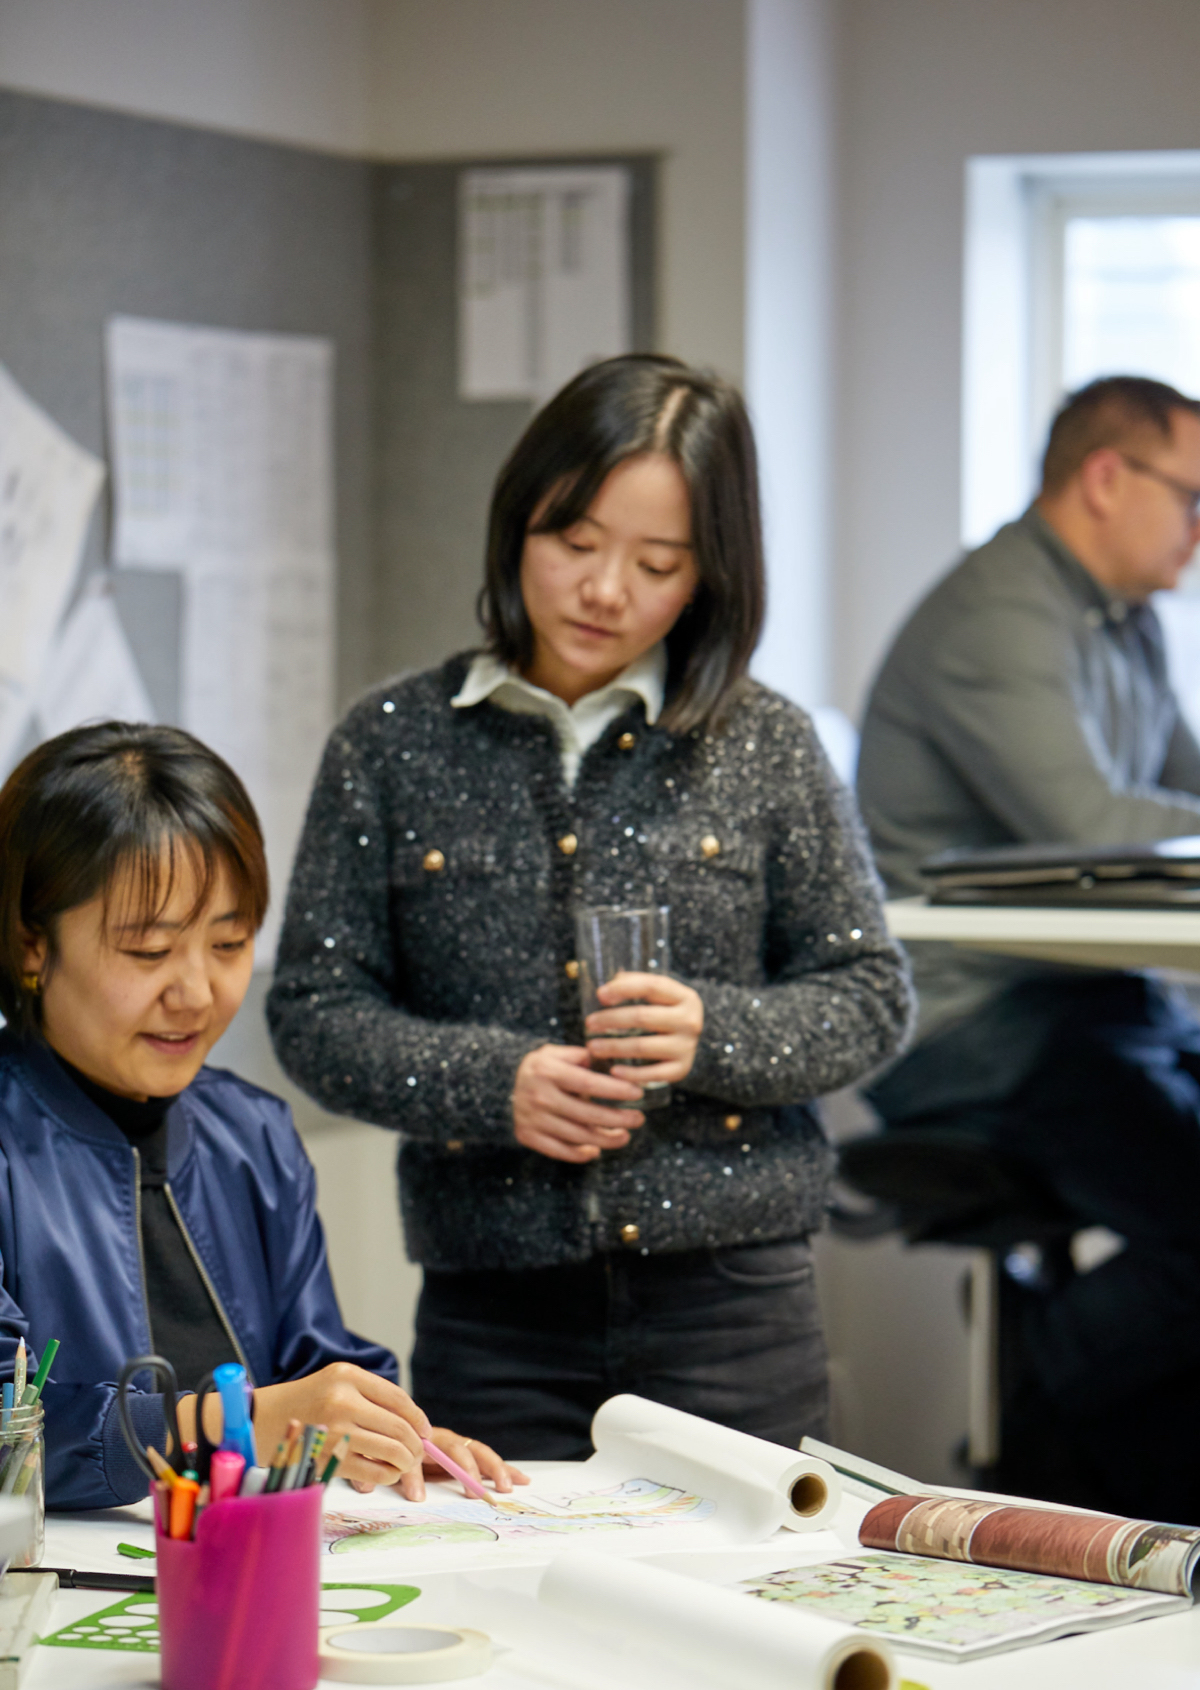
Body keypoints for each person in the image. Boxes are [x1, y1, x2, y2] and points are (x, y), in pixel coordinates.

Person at [267, 353, 913, 1460]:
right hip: (494, 1310)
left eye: (657, 561)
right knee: (509, 1606)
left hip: (734, 1304)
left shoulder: (764, 742)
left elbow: (870, 997)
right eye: (574, 543)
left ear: (708, 573)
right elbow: (314, 1010)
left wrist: (715, 1032)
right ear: (519, 524)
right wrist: (490, 1084)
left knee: (751, 1607)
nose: (605, 589)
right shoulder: (393, 740)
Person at [0, 721, 524, 1510]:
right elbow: (12, 1435)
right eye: (149, 951)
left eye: (230, 942)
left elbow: (319, 1365)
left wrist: (390, 1432)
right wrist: (224, 1423)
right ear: (32, 944)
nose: (197, 993)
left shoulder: (253, 1135)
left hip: (255, 1572)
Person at [856, 375, 1200, 1520]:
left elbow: (1184, 798)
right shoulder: (999, 616)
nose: (1199, 530)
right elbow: (1100, 830)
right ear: (1108, 478)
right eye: (1193, 498)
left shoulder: (1123, 618)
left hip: (1087, 1005)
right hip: (972, 1026)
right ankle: (1041, 1395)